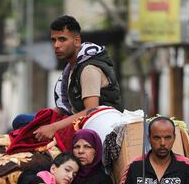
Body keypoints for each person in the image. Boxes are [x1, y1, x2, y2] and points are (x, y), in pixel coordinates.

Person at [33, 15, 123, 143]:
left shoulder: (89, 69)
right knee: (24, 121)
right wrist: (44, 120)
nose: (56, 45)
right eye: (54, 40)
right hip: (78, 122)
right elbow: (66, 106)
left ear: (76, 41)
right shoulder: (72, 67)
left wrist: (53, 127)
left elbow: (91, 111)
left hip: (97, 129)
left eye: (62, 39)